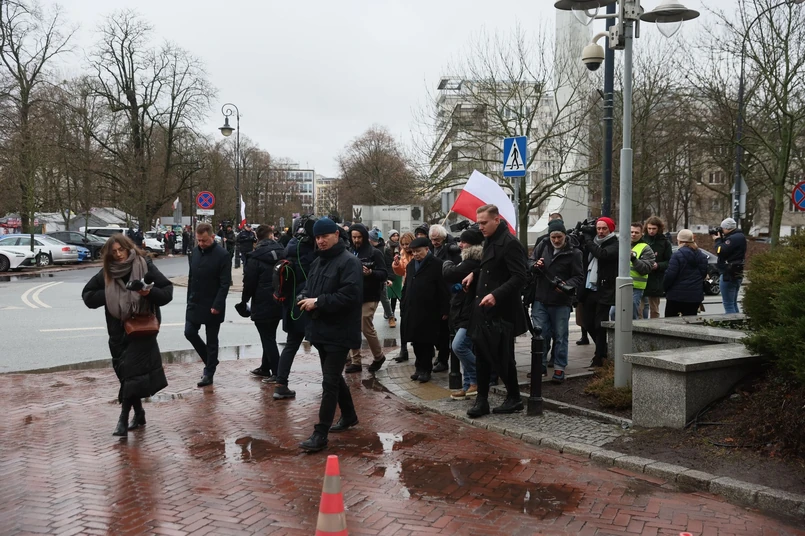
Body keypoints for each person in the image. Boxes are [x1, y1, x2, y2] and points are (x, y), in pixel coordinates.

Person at [81, 234, 173, 436]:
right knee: (127, 375)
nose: (119, 255)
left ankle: (123, 418)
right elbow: (87, 296)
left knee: (131, 372)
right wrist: (110, 294)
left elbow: (167, 292)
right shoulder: (108, 272)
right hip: (118, 332)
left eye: (121, 249)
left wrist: (148, 293)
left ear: (128, 247)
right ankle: (139, 413)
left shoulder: (144, 265)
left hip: (142, 329)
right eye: (114, 252)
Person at [296, 218, 362, 452]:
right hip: (320, 330)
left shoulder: (349, 262)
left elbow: (349, 296)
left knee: (329, 382)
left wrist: (318, 302)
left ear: (336, 234)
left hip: (340, 332)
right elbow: (309, 287)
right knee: (332, 377)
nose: (320, 241)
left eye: (324, 236)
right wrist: (303, 297)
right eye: (317, 237)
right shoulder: (318, 261)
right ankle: (350, 415)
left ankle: (320, 433)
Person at [462, 204, 528, 418]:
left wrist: (496, 295)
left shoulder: (510, 243)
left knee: (503, 357)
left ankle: (514, 398)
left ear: (497, 220)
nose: (480, 227)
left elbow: (520, 276)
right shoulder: (490, 239)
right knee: (481, 354)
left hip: (502, 312)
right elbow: (489, 266)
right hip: (484, 309)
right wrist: (474, 273)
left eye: (484, 223)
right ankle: (482, 400)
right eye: (478, 223)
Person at [530, 220, 584, 384]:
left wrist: (567, 285)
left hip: (561, 301)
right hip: (541, 297)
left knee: (560, 336)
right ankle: (540, 366)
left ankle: (559, 367)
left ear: (565, 235)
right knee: (540, 334)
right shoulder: (543, 245)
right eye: (553, 237)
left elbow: (579, 276)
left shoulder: (574, 253)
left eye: (559, 236)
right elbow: (530, 261)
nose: (556, 240)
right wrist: (535, 265)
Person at [271, 219, 317, 399]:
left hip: (290, 305)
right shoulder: (311, 252)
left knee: (290, 345)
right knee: (323, 346)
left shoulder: (290, 246)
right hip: (307, 304)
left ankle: (280, 384)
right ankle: (333, 385)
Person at [185, 223, 232, 387]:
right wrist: (189, 299)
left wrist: (217, 304)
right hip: (195, 301)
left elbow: (225, 284)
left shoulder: (223, 255)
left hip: (213, 303)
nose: (201, 244)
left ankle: (209, 373)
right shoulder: (195, 252)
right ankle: (210, 359)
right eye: (198, 240)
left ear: (212, 237)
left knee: (212, 340)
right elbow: (191, 277)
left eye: (204, 240)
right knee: (189, 332)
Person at [401, 236, 450, 384]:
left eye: (418, 251)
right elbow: (407, 286)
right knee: (415, 341)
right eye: (413, 251)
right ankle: (418, 367)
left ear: (427, 249)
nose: (415, 254)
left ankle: (426, 369)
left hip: (430, 309)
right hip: (412, 308)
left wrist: (445, 309)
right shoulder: (411, 265)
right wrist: (404, 304)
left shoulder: (437, 264)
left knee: (426, 341)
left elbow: (443, 289)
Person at [442, 228, 484, 399]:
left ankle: (480, 376)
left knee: (459, 346)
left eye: (464, 242)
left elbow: (449, 273)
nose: (460, 245)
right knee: (464, 348)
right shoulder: (467, 260)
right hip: (463, 310)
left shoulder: (471, 261)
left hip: (470, 312)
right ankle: (469, 385)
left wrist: (447, 261)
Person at [240, 225, 285, 380]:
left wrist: (244, 301)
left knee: (267, 338)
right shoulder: (283, 252)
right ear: (271, 235)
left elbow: (249, 283)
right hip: (279, 299)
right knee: (270, 335)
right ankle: (265, 367)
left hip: (261, 302)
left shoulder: (254, 257)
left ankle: (277, 372)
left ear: (257, 238)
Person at [345, 223, 388, 374]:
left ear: (364, 236)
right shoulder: (349, 251)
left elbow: (383, 273)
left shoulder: (374, 253)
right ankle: (355, 361)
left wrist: (370, 273)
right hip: (352, 295)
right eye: (354, 237)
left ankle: (378, 356)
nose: (356, 240)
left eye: (359, 237)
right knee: (351, 327)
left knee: (365, 325)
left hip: (370, 295)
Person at [581, 216, 618, 368]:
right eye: (598, 228)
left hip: (605, 289)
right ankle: (603, 349)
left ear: (610, 229)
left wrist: (588, 239)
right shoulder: (594, 242)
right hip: (590, 288)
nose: (601, 231)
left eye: (604, 228)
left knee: (599, 325)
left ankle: (599, 356)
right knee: (587, 323)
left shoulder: (615, 244)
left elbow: (602, 254)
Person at [429, 224, 460, 372]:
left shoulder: (451, 250)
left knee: (444, 330)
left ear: (443, 237)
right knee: (435, 330)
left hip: (447, 293)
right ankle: (441, 354)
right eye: (432, 239)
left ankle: (443, 359)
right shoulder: (430, 248)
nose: (434, 242)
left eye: (437, 239)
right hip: (433, 292)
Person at [663, 229, 708, 317]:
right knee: (691, 321)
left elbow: (670, 276)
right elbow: (703, 274)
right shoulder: (702, 256)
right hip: (695, 296)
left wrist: (665, 288)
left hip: (676, 296)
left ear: (679, 240)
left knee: (671, 321)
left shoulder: (676, 255)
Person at [641, 216, 672, 319]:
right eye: (649, 228)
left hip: (656, 279)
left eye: (654, 228)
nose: (651, 231)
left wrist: (658, 265)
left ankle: (654, 326)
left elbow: (669, 261)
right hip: (641, 276)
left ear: (659, 228)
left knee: (654, 309)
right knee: (639, 308)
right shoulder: (642, 240)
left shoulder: (665, 242)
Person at [714, 217, 746, 314]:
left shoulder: (732, 239)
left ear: (727, 228)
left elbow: (720, 251)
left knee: (728, 304)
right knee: (733, 303)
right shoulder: (740, 236)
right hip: (737, 272)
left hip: (728, 273)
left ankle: (731, 322)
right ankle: (737, 321)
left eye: (723, 228)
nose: (722, 231)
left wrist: (717, 240)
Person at [391, 232, 415, 362]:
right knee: (404, 318)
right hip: (406, 287)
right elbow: (401, 272)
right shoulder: (402, 254)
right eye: (403, 244)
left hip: (417, 288)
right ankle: (403, 349)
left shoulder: (417, 253)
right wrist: (396, 265)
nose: (405, 247)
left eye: (407, 244)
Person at [629, 222, 656, 320]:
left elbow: (645, 269)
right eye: (631, 232)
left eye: (636, 232)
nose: (633, 234)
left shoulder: (646, 248)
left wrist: (633, 259)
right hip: (620, 285)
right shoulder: (621, 245)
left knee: (632, 313)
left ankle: (634, 329)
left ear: (641, 234)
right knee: (613, 312)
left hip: (636, 286)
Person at [368, 229, 394, 327]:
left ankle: (390, 317)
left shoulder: (384, 249)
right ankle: (366, 321)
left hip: (381, 278)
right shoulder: (366, 250)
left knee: (384, 299)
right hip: (369, 277)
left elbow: (389, 265)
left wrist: (389, 278)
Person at [384, 229, 402, 327]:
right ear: (390, 237)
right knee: (388, 295)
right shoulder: (386, 247)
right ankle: (387, 311)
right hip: (389, 272)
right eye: (394, 236)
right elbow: (386, 262)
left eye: (397, 235)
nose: (396, 237)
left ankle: (392, 313)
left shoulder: (400, 246)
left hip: (398, 273)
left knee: (395, 295)